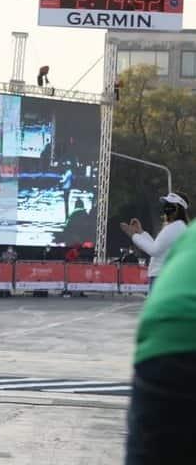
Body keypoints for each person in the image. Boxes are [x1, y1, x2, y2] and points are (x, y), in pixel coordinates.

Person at [125, 218, 196, 464]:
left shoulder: (182, 231)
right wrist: (141, 235)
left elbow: (154, 249)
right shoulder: (179, 229)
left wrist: (137, 236)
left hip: (164, 334)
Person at [121, 192, 190, 291]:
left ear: (178, 208)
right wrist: (141, 233)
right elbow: (156, 247)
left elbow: (154, 250)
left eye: (169, 205)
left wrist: (133, 235)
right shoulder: (178, 226)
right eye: (166, 205)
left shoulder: (174, 227)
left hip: (161, 276)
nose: (166, 208)